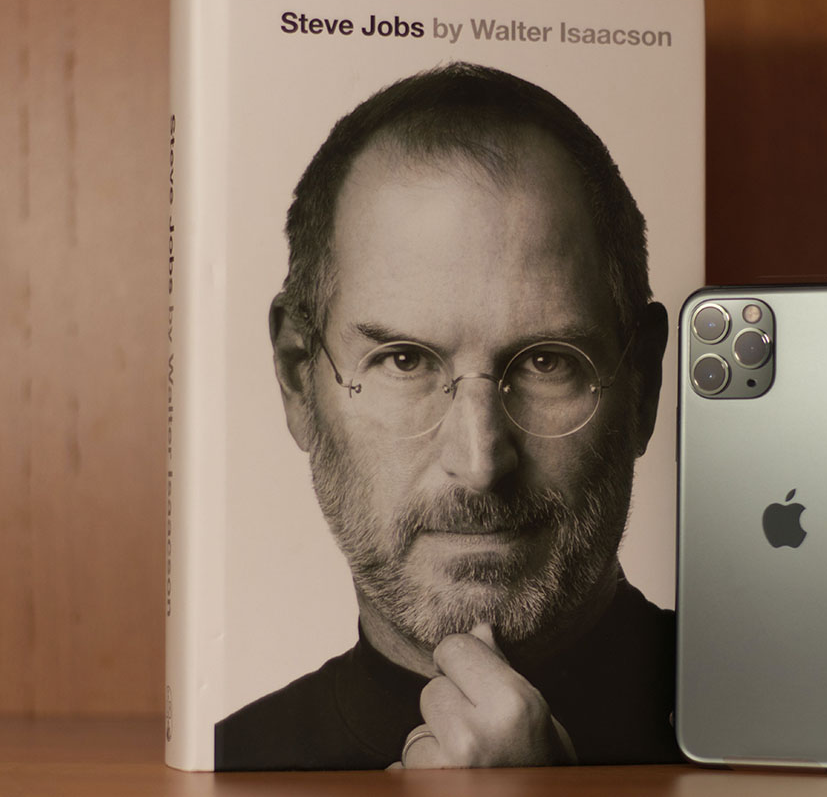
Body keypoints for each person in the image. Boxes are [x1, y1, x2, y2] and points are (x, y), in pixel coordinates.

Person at [215, 62, 678, 770]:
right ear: (297, 381)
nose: (481, 460)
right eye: (404, 361)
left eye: (547, 363)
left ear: (641, 387)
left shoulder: (798, 731)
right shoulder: (230, 761)